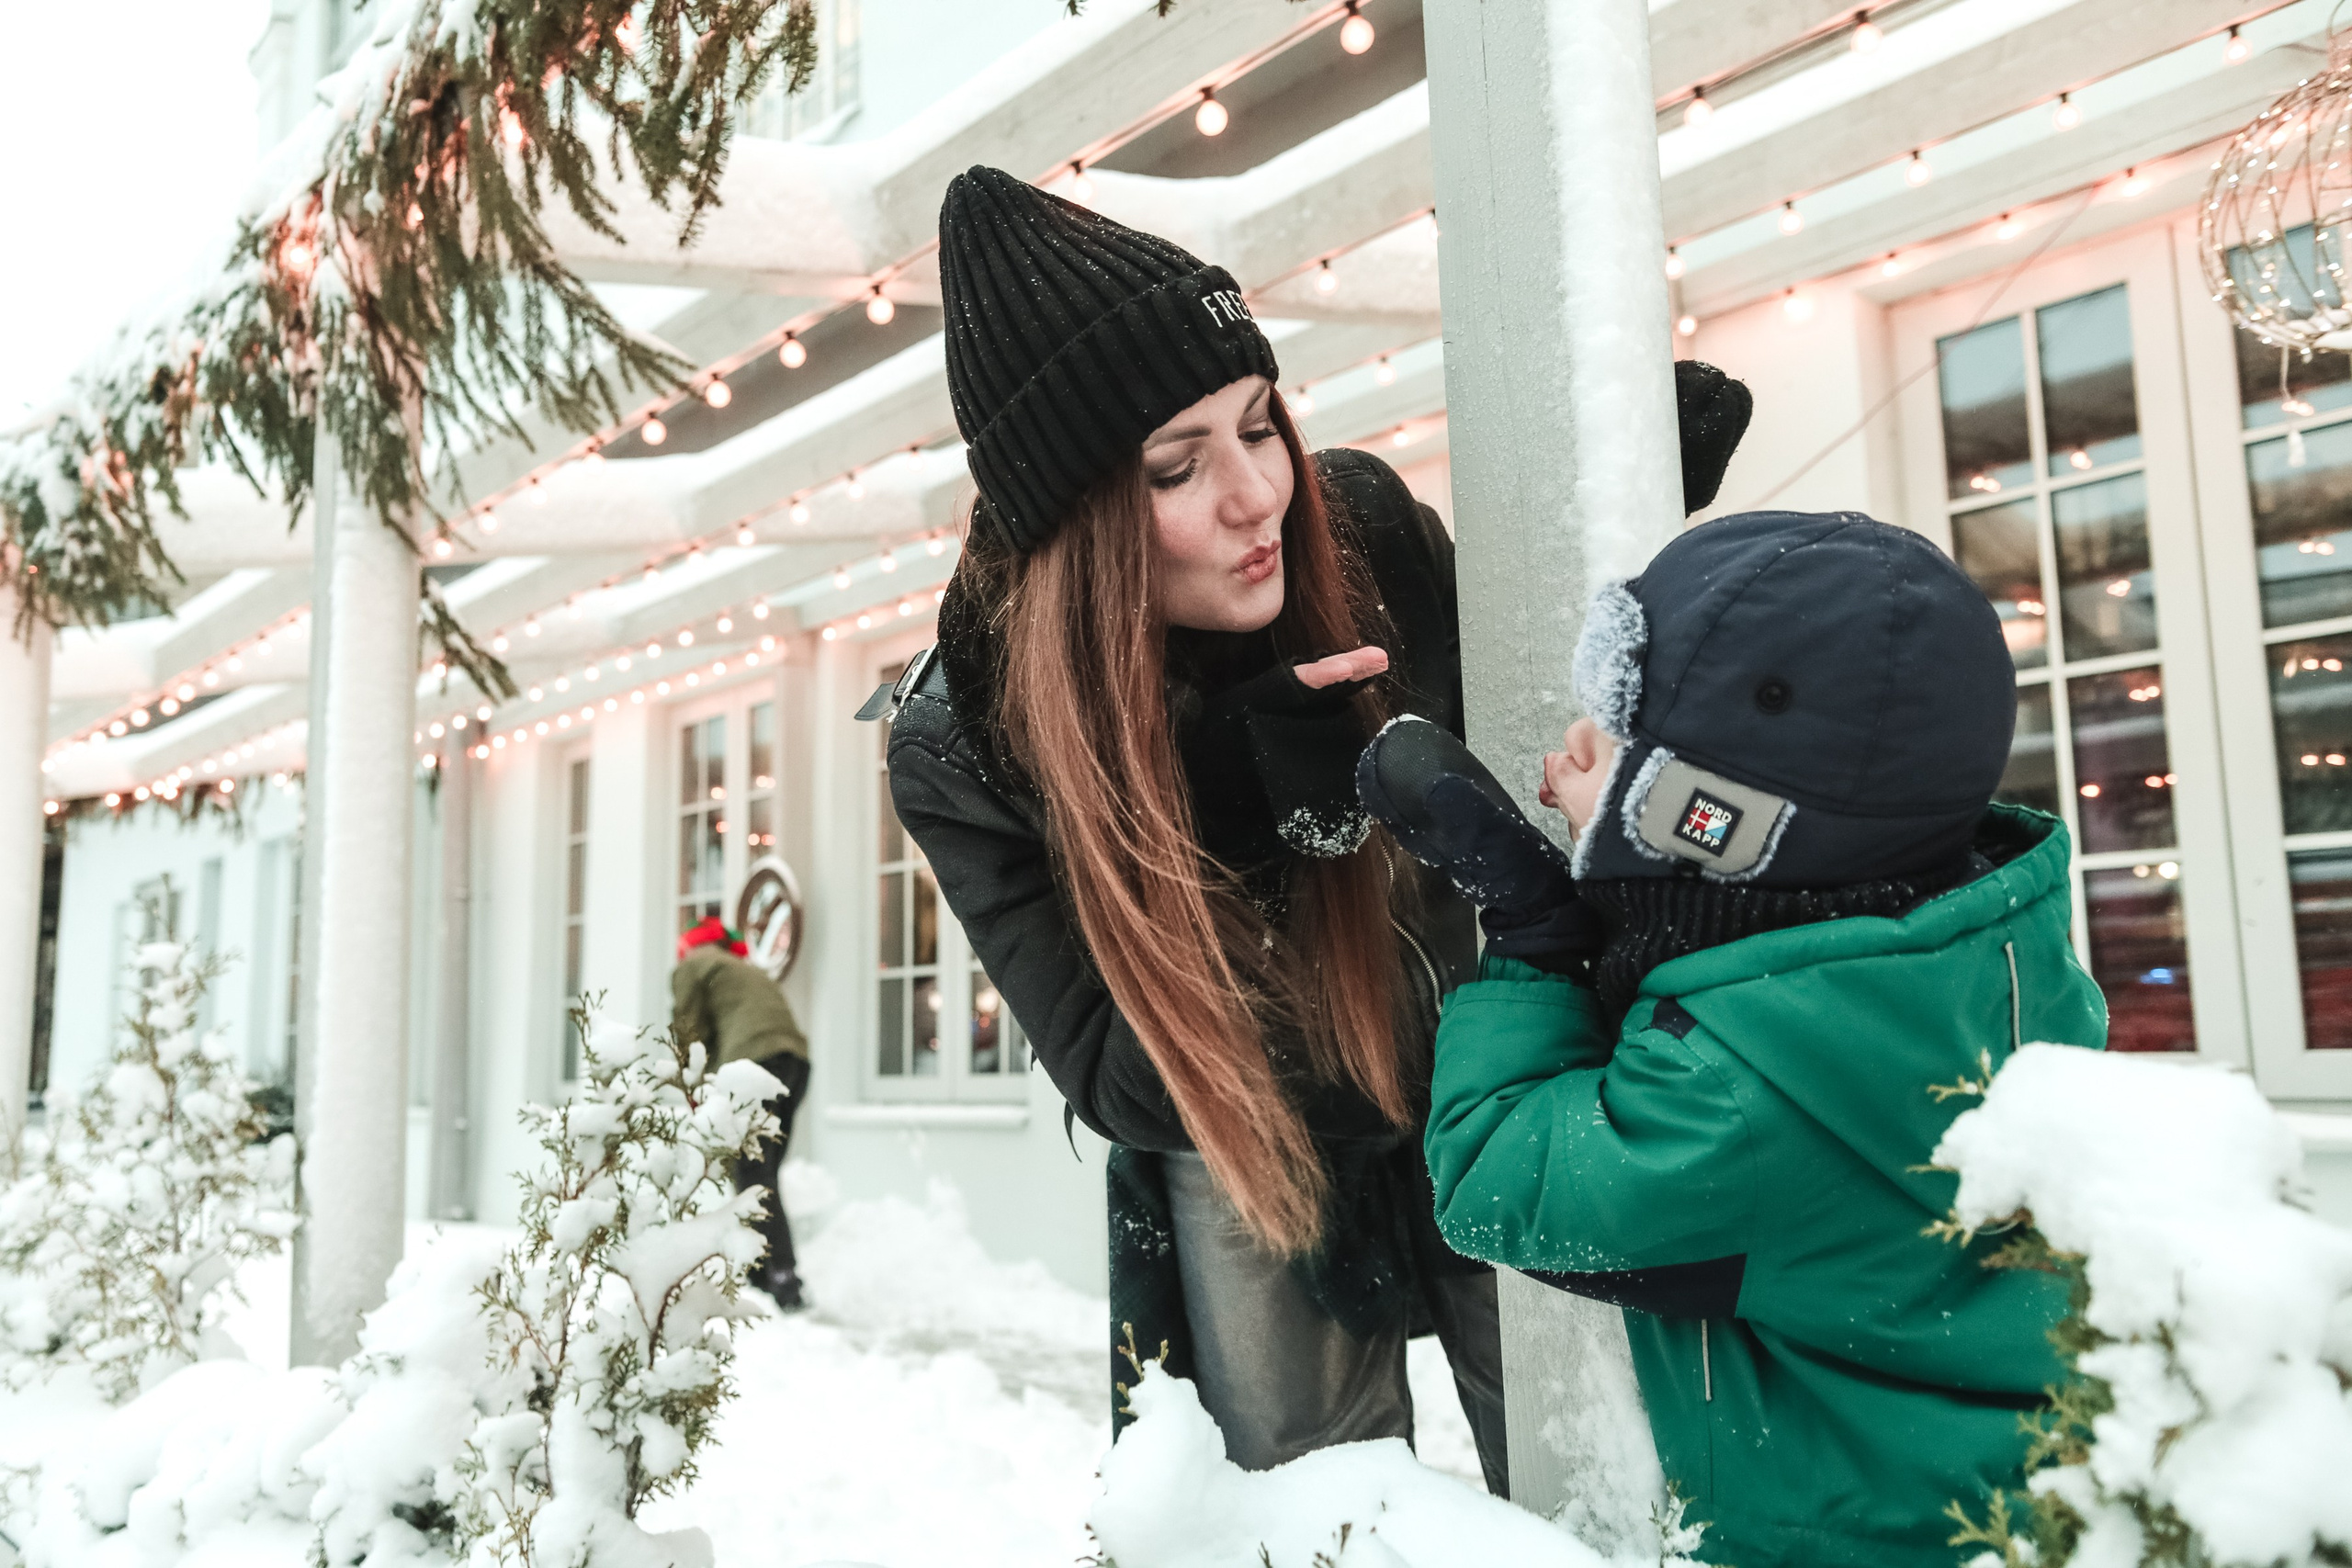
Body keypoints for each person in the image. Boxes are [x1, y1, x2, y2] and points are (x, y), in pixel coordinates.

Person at [876, 165, 1751, 1490]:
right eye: (1178, 466)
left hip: (1481, 1056)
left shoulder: (1364, 535)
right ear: (1080, 531)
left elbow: (1532, 699)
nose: (1255, 496)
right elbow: (1120, 1076)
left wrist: (1605, 520)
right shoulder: (973, 744)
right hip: (1246, 1133)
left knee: (1594, 1449)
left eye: (1258, 425)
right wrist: (1228, 819)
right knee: (1307, 1491)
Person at [1357, 510, 2109, 1566]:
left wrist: (1533, 941)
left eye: (1615, 739)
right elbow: (1761, 962)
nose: (1573, 748)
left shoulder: (1735, 1102)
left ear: (1709, 819)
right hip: (2027, 1499)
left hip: (1862, 1543)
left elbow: (1496, 1177)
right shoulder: (1998, 963)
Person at [672, 915, 811, 1309]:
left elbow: (689, 1033)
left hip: (755, 1063)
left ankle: (782, 1280)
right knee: (763, 1171)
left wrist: (691, 1089)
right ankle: (761, 1272)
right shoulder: (743, 970)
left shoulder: (694, 965)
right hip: (795, 1063)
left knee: (752, 1173)